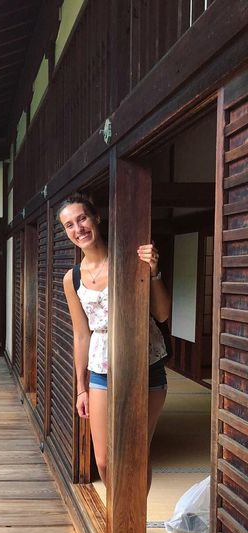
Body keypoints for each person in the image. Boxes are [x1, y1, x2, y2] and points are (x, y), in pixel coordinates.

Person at [60, 195, 171, 502]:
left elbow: (161, 314)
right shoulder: (73, 279)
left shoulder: (130, 259)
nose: (78, 228)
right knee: (105, 460)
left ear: (96, 218)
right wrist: (81, 388)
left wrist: (154, 271)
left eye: (82, 219)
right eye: (69, 225)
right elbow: (81, 335)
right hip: (100, 369)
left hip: (145, 365)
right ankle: (122, 523)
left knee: (136, 453)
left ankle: (131, 530)